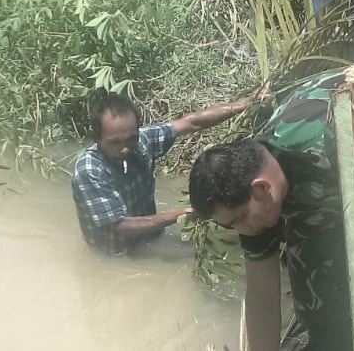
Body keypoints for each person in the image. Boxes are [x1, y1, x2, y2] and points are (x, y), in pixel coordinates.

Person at [189, 71, 351, 351]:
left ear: (262, 188)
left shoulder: (324, 142)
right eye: (231, 225)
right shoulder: (252, 197)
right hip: (315, 196)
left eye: (239, 219)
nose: (242, 230)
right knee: (319, 308)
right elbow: (262, 293)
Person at [71, 89, 251, 255]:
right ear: (95, 137)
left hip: (149, 239)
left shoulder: (142, 142)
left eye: (131, 138)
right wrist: (179, 214)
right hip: (113, 255)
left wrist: (245, 103)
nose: (125, 148)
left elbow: (192, 122)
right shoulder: (90, 170)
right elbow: (119, 226)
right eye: (115, 142)